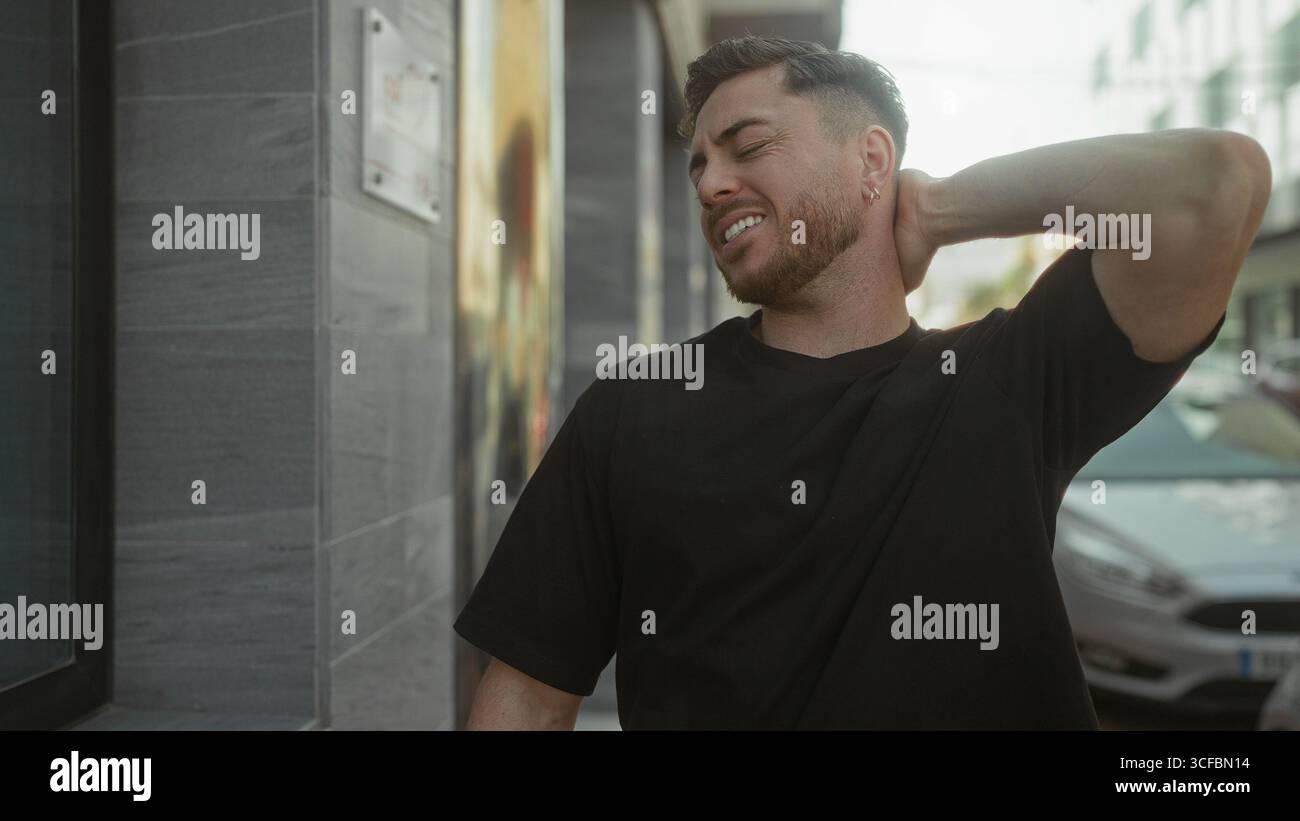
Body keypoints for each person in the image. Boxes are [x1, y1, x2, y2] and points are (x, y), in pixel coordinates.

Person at [453, 35, 1272, 729]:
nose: (707, 183)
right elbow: (525, 689)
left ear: (872, 159)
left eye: (749, 145)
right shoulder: (633, 409)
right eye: (699, 163)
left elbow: (1215, 186)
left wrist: (942, 210)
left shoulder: (1004, 381)